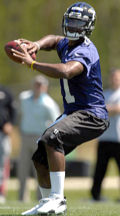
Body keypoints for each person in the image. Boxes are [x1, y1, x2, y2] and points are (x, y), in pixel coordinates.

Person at [12, 2, 109, 215]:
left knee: (52, 137)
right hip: (74, 112)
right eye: (70, 21)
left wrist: (32, 64)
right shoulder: (67, 43)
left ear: (87, 27)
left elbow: (66, 71)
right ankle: (47, 203)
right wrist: (36, 45)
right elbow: (54, 40)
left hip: (92, 114)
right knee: (39, 156)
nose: (72, 26)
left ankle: (58, 199)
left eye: (77, 23)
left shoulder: (86, 50)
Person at [18, 75, 61, 202]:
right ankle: (22, 198)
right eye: (36, 84)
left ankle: (41, 198)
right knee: (22, 170)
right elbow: (21, 115)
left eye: (41, 85)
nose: (38, 87)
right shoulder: (24, 98)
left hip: (40, 139)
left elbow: (56, 122)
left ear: (45, 87)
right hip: (25, 137)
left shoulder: (49, 103)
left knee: (39, 169)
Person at [91, 68, 120, 201]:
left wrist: (108, 108)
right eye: (113, 77)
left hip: (118, 139)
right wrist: (109, 108)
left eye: (117, 77)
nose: (115, 79)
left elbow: (114, 109)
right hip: (104, 138)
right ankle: (95, 196)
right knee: (99, 170)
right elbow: (97, 110)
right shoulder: (104, 94)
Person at [0, 85, 16, 203]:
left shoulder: (5, 91)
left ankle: (1, 191)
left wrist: (10, 123)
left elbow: (13, 110)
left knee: (1, 163)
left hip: (2, 133)